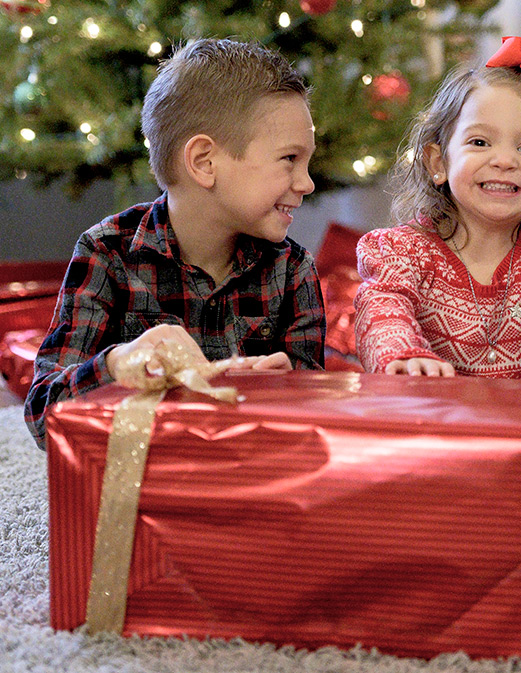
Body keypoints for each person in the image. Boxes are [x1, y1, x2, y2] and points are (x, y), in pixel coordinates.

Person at [25, 38, 325, 449]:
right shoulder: (107, 254)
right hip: (146, 486)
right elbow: (44, 417)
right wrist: (117, 364)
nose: (306, 183)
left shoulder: (292, 269)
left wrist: (292, 383)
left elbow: (320, 417)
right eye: (290, 158)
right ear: (204, 162)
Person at [354, 36, 521, 385]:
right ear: (438, 162)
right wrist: (403, 353)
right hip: (426, 419)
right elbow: (381, 309)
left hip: (520, 424)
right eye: (480, 142)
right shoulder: (403, 254)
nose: (504, 161)